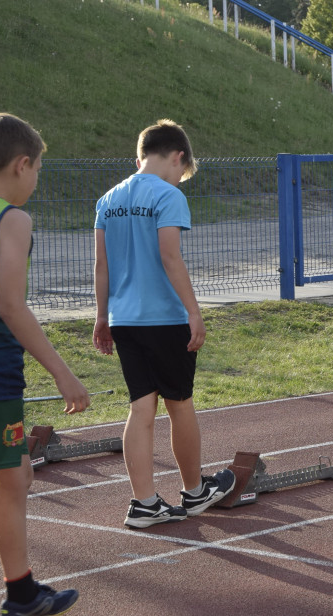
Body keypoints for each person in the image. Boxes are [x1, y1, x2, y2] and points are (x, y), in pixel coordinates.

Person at [0, 113, 90, 616]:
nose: (38, 178)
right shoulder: (12, 220)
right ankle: (20, 593)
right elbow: (11, 307)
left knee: (15, 474)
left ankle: (21, 591)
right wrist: (65, 374)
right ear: (22, 164)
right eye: (39, 168)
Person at [92, 119, 234, 529]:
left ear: (140, 156)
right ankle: (194, 492)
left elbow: (101, 265)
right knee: (179, 402)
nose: (180, 179)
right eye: (182, 172)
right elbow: (170, 256)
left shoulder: (108, 199)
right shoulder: (168, 196)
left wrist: (102, 316)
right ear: (178, 156)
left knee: (140, 407)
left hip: (124, 318)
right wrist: (194, 310)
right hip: (164, 316)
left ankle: (144, 503)